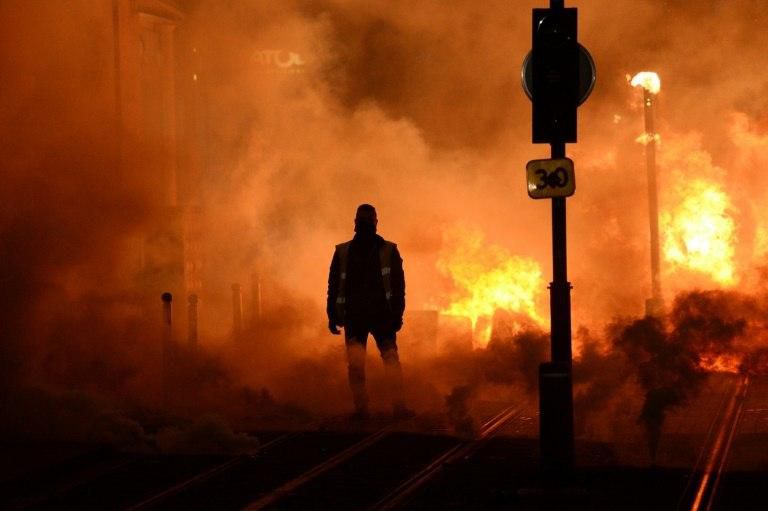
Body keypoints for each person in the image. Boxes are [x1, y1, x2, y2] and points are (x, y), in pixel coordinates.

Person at [327, 204, 412, 420]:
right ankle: (367, 409)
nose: (364, 226)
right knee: (365, 363)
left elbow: (398, 285)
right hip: (359, 316)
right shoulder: (344, 252)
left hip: (379, 316)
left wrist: (397, 314)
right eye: (363, 222)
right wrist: (332, 314)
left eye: (366, 222)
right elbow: (334, 284)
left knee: (385, 360)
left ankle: (394, 407)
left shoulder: (388, 250)